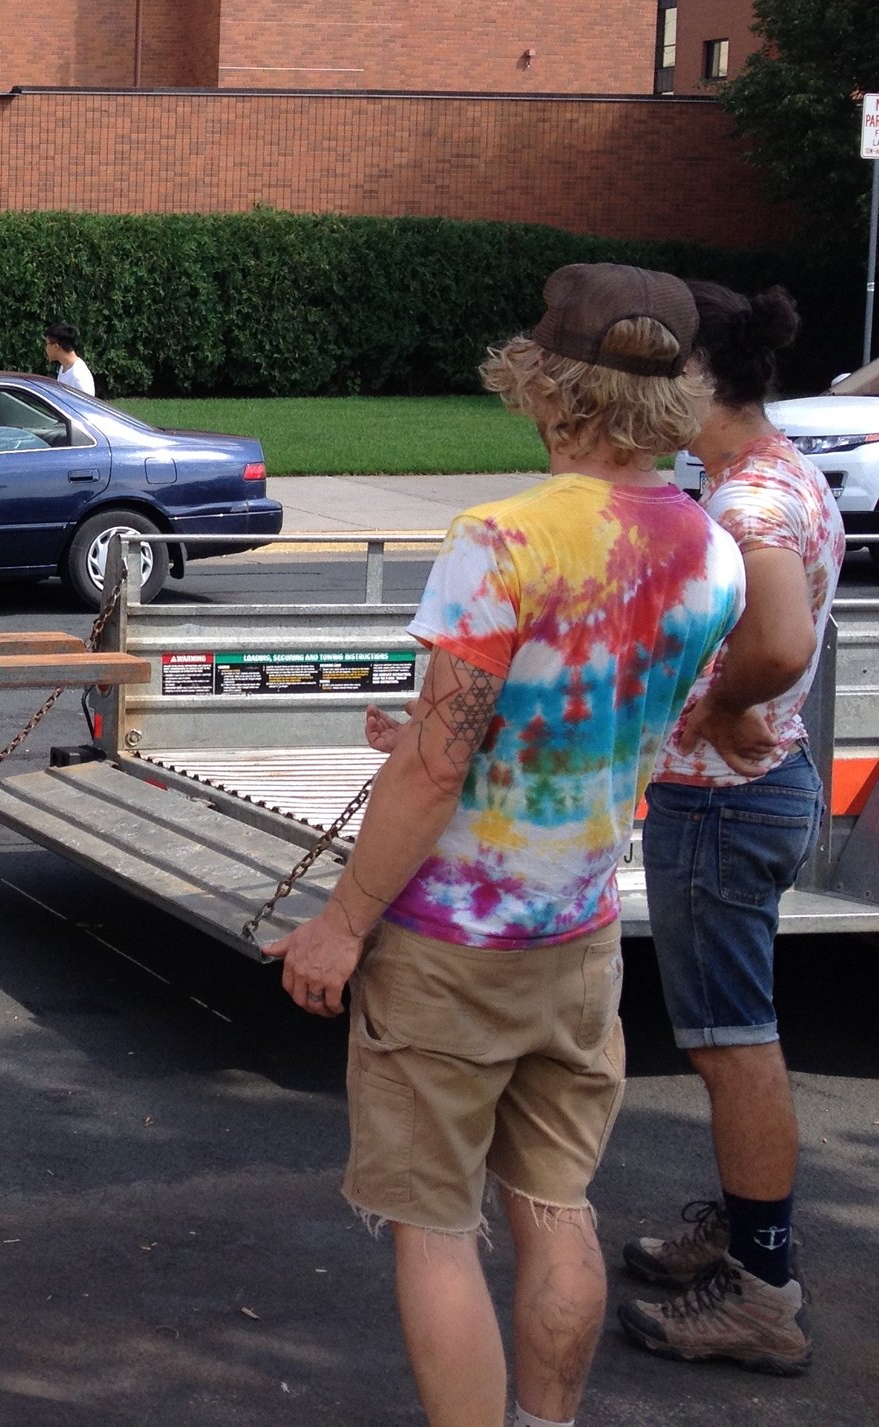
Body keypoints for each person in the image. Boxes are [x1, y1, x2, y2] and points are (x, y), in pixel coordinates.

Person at [266, 264, 742, 1427]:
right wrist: (452, 732)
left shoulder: (502, 538)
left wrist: (338, 924)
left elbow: (437, 764)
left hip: (447, 941)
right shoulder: (709, 551)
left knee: (433, 1230)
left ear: (548, 389)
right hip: (578, 935)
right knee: (554, 1203)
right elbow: (606, 716)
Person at [615, 282, 835, 1376]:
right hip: (747, 795)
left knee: (730, 1043)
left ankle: (760, 1285)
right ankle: (744, 1231)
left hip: (722, 799)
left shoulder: (748, 504)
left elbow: (784, 641)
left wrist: (722, 705)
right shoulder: (769, 474)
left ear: (700, 379)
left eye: (659, 374)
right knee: (729, 1038)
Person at [44, 322, 95, 397]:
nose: (46, 348)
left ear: (56, 346)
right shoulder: (64, 367)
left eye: (47, 344)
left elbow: (87, 406)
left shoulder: (78, 377)